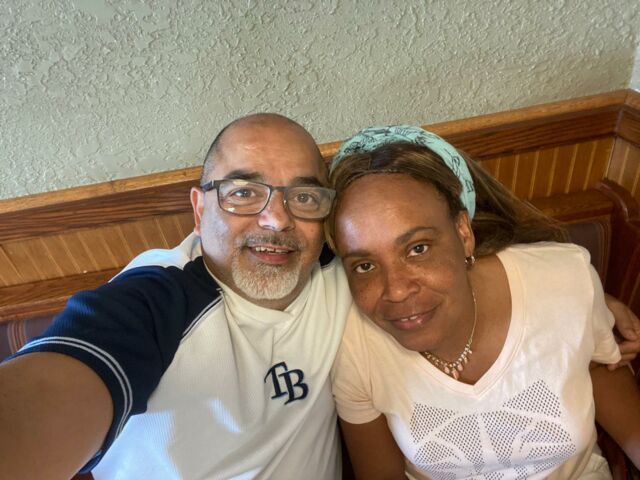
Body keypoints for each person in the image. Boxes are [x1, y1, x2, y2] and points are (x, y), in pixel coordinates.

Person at [0, 116, 637, 479]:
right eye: (243, 192)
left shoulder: (341, 276)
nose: (276, 219)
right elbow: (47, 392)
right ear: (198, 209)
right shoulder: (152, 304)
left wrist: (586, 299)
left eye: (303, 196)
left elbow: (427, 233)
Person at [326, 126, 640, 479]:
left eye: (418, 248)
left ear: (463, 233)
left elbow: (597, 369)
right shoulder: (352, 340)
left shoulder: (566, 279)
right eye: (365, 265)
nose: (396, 291)